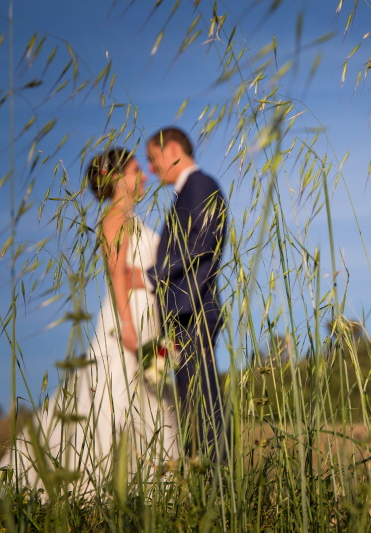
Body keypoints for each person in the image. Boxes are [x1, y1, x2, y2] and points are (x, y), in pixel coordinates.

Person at [0, 148, 179, 497]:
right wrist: (128, 326)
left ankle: (148, 487)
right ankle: (102, 487)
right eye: (136, 170)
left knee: (148, 404)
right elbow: (117, 276)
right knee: (115, 403)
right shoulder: (114, 219)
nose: (143, 177)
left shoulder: (134, 219)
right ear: (116, 177)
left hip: (147, 323)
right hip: (125, 324)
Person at [129, 127, 228, 462]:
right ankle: (208, 480)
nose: (152, 169)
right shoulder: (187, 193)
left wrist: (152, 276)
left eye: (153, 160)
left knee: (204, 404)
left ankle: (219, 485)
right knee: (193, 403)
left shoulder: (199, 185)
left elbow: (203, 242)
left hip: (195, 311)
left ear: (172, 149)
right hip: (183, 314)